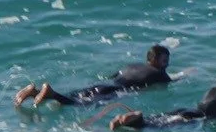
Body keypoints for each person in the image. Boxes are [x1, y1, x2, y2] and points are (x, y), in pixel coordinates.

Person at [16, 43, 173, 109]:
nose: (167, 64)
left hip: (104, 85)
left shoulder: (132, 66)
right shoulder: (159, 73)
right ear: (154, 60)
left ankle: (34, 92)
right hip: (114, 92)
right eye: (164, 61)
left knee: (72, 97)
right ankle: (49, 92)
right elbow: (168, 81)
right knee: (77, 104)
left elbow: (112, 76)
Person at [108, 64, 216, 131]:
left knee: (156, 120)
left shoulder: (213, 90)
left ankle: (136, 120)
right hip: (195, 119)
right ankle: (137, 121)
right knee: (157, 127)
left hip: (188, 111)